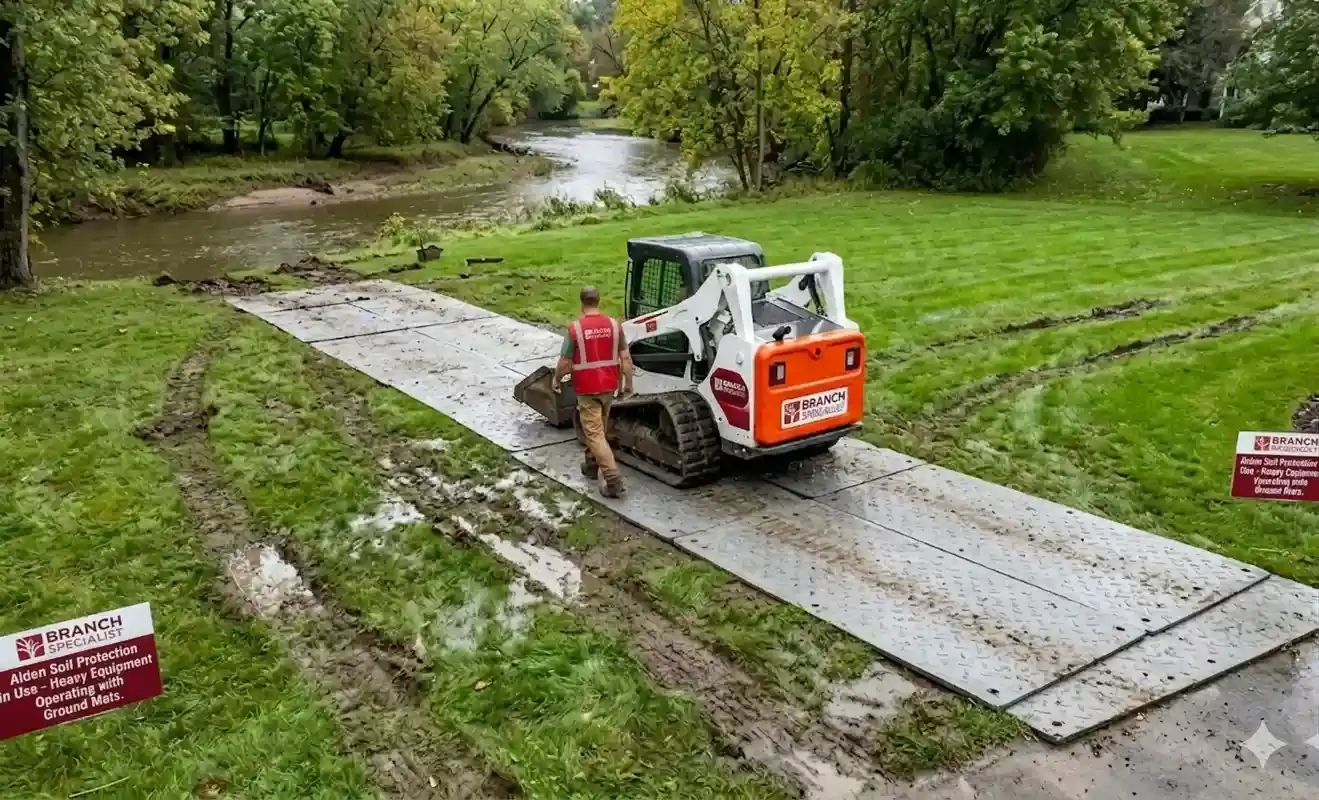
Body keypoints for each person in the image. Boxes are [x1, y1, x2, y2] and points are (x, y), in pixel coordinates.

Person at [553, 285, 634, 497]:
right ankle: (591, 466)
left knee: (595, 434)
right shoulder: (615, 325)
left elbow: (565, 362)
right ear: (599, 300)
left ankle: (613, 478)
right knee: (599, 430)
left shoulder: (576, 329)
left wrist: (556, 379)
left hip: (587, 389)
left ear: (582, 303)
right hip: (609, 386)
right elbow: (625, 358)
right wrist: (628, 383)